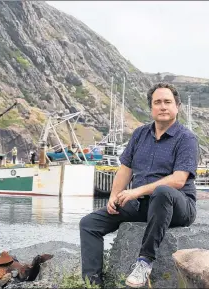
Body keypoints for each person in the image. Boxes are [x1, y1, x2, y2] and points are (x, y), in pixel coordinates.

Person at [79, 83, 199, 288]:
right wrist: (114, 196)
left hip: (178, 206)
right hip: (142, 205)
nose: (163, 106)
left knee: (162, 192)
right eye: (157, 102)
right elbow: (125, 168)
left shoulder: (186, 138)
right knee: (89, 224)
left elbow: (178, 180)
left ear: (177, 107)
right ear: (151, 108)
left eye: (168, 102)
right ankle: (92, 283)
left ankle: (145, 262)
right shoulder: (140, 134)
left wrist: (136, 191)